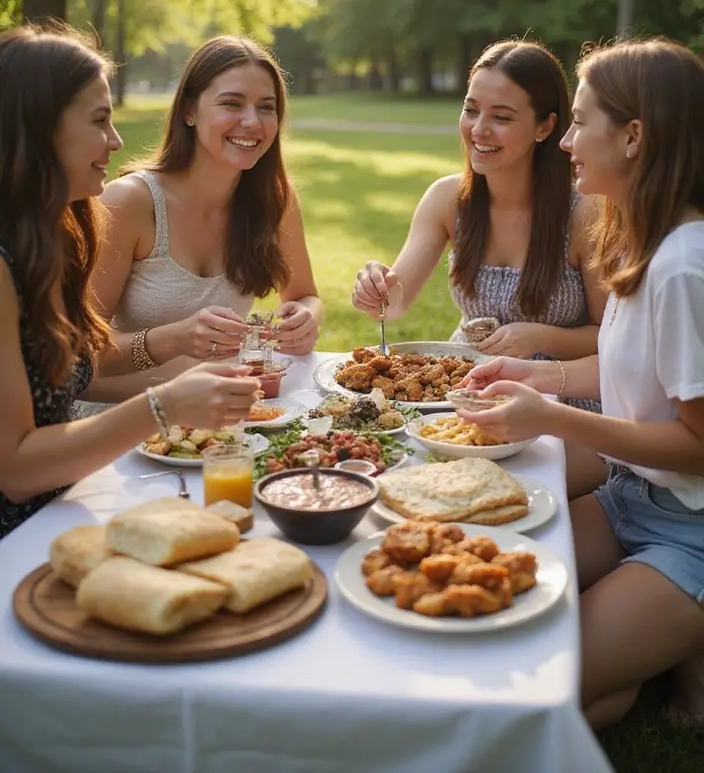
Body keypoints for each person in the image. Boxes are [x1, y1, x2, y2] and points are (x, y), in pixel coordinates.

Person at [461, 37, 704, 729]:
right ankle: (651, 657)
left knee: (538, 688)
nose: (565, 142)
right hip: (629, 498)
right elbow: (628, 368)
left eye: (577, 121)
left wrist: (551, 415)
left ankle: (675, 636)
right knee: (499, 614)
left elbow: (697, 445)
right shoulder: (641, 241)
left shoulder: (685, 265)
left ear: (632, 137)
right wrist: (536, 373)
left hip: (692, 530)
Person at [0, 26, 260, 539]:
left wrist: (176, 349)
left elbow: (79, 361)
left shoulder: (59, 235)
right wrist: (165, 405)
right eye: (100, 120)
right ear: (38, 129)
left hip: (71, 505)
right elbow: (16, 471)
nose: (116, 141)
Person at [351, 39, 606, 411]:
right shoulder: (447, 199)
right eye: (471, 110)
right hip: (468, 387)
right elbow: (395, 301)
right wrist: (375, 290)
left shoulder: (584, 212)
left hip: (560, 399)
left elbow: (613, 339)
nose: (479, 129)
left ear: (545, 126)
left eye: (501, 117)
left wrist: (539, 337)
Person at [81, 35, 323, 407]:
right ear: (189, 111)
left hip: (223, 415)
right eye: (232, 103)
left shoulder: (276, 199)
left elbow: (305, 295)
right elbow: (78, 356)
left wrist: (304, 318)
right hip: (122, 421)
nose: (251, 122)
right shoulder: (131, 202)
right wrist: (174, 340)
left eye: (266, 107)